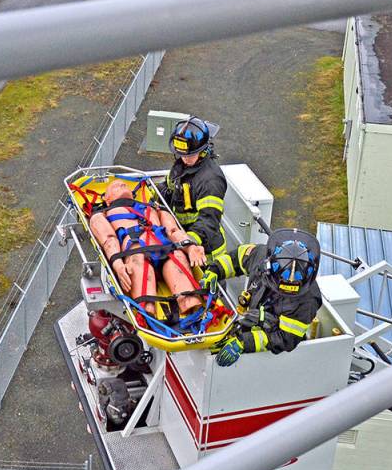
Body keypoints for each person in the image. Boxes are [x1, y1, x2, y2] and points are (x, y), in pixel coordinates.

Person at [200, 229, 322, 367]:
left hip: (269, 337)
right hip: (252, 317)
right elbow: (236, 259)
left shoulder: (307, 301)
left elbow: (285, 339)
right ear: (269, 267)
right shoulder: (260, 255)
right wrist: (215, 269)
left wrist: (244, 342)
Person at [89, 180, 204, 317]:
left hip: (166, 250)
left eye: (124, 184)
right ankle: (148, 317)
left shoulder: (154, 208)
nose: (122, 185)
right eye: (115, 186)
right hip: (136, 253)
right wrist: (117, 264)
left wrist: (190, 247)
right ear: (107, 200)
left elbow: (173, 231)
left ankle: (196, 317)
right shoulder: (101, 214)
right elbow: (109, 239)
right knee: (138, 265)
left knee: (178, 257)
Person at [157, 117, 228, 268]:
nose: (185, 159)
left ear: (203, 150)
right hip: (182, 237)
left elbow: (209, 220)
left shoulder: (210, 180)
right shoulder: (182, 165)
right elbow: (169, 186)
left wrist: (189, 242)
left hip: (205, 253)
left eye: (189, 155)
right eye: (181, 154)